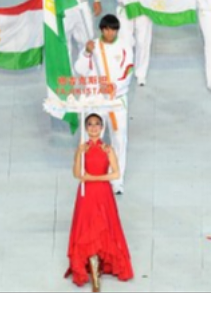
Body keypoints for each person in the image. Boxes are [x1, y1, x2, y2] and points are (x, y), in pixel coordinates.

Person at [65, 113, 133, 292]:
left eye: (97, 124)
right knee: (88, 229)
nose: (94, 127)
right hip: (86, 194)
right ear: (86, 128)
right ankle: (93, 273)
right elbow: (77, 174)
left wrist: (94, 178)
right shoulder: (82, 149)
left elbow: (116, 173)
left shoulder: (108, 149)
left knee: (102, 227)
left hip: (102, 193)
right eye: (90, 124)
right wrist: (79, 154)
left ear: (102, 128)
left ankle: (99, 267)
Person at [74, 15, 133, 194]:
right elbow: (79, 70)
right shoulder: (93, 46)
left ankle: (117, 180)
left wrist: (114, 87)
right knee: (91, 137)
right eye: (107, 29)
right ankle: (90, 175)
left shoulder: (124, 47)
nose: (110, 33)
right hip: (96, 100)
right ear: (102, 30)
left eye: (113, 29)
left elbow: (128, 71)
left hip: (116, 100)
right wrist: (86, 53)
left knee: (119, 138)